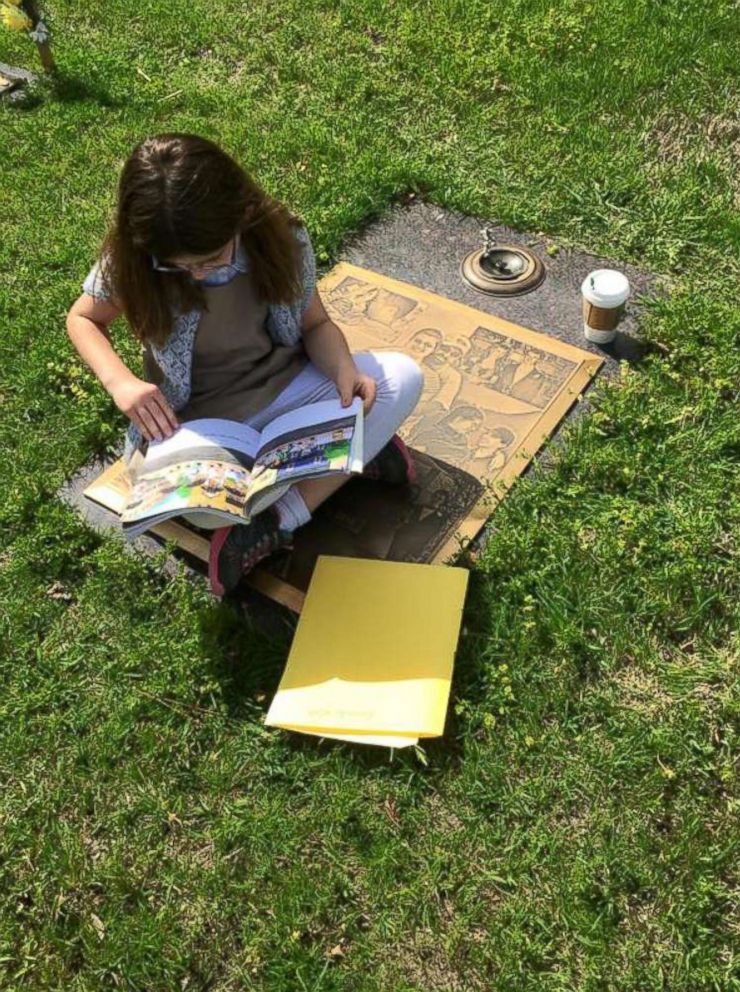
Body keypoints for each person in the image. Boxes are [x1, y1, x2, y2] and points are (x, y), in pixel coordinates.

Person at [66, 133, 423, 597]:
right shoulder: (133, 261)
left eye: (213, 260)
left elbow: (316, 326)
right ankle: (349, 459)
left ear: (243, 215)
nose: (197, 274)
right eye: (178, 266)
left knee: (402, 378)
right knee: (205, 511)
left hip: (290, 388)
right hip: (200, 421)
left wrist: (342, 370)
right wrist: (122, 383)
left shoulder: (281, 239)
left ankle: (281, 517)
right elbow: (82, 318)